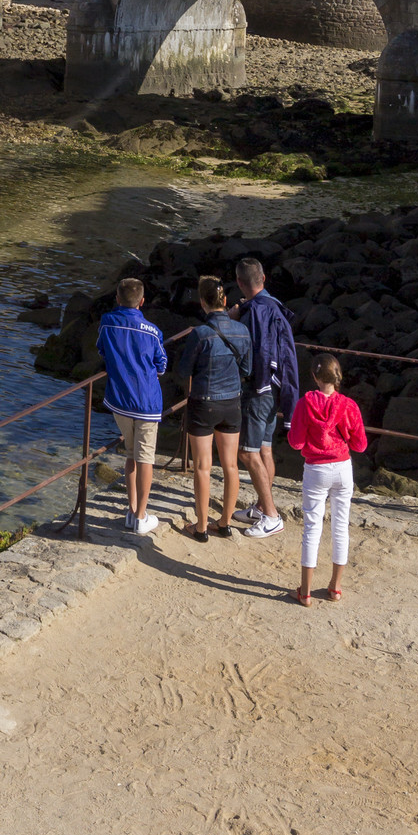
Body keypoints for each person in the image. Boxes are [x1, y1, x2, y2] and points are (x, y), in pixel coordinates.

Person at [286, 353, 368, 605]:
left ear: (314, 376)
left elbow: (296, 441)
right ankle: (335, 587)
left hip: (316, 469)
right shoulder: (349, 405)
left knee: (312, 528)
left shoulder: (304, 404)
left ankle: (306, 591)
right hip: (342, 467)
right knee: (340, 527)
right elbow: (361, 444)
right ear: (337, 376)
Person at [175, 276, 253, 541]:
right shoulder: (242, 331)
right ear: (225, 301)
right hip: (232, 403)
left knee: (202, 467)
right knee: (231, 465)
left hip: (203, 403)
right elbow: (247, 369)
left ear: (202, 302)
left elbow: (184, 370)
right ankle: (226, 523)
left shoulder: (199, 333)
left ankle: (200, 528)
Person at [233, 254, 301, 538]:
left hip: (258, 389)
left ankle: (271, 515)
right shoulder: (274, 306)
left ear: (239, 283)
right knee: (264, 449)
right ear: (264, 278)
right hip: (275, 387)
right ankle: (262, 507)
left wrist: (233, 321)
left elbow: (254, 353)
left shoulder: (253, 312)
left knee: (247, 454)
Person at [95, 275, 169, 536]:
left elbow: (101, 350)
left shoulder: (107, 323)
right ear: (142, 302)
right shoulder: (153, 331)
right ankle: (141, 516)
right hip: (147, 402)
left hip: (119, 400)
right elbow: (161, 364)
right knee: (145, 457)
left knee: (130, 454)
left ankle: (131, 510)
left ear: (117, 298)